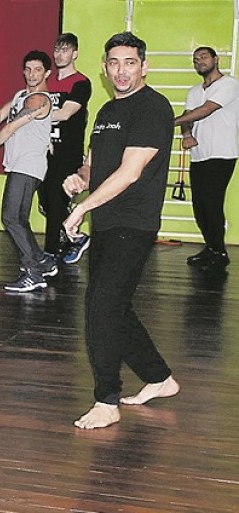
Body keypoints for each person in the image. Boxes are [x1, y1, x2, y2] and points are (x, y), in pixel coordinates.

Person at [62, 32, 180, 430]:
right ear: (104, 68)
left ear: (144, 66)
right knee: (114, 306)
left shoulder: (153, 108)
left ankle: (106, 400)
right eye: (114, 63)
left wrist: (83, 208)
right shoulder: (106, 111)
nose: (121, 71)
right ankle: (159, 378)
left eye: (130, 62)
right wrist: (80, 179)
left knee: (101, 307)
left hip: (134, 223)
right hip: (107, 223)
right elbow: (94, 164)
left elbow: (130, 172)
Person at [0, 50, 55, 292]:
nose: (32, 74)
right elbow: (1, 114)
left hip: (28, 165)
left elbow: (11, 127)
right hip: (18, 164)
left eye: (37, 70)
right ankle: (42, 261)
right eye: (28, 69)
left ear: (47, 73)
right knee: (18, 218)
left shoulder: (38, 100)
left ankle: (33, 272)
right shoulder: (21, 95)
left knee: (10, 217)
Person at [175, 46, 239, 269]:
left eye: (203, 57)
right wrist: (186, 134)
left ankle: (219, 252)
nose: (199, 61)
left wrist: (169, 122)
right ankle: (211, 247)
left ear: (215, 59)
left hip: (222, 153)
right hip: (199, 155)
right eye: (195, 59)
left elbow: (206, 109)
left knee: (212, 203)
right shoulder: (194, 91)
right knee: (200, 205)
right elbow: (188, 117)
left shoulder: (229, 84)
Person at [41, 33, 92, 265]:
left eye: (65, 50)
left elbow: (65, 113)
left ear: (75, 54)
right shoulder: (47, 82)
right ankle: (74, 238)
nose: (60, 55)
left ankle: (50, 252)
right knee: (47, 201)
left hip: (67, 152)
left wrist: (32, 114)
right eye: (57, 50)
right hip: (45, 151)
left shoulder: (80, 82)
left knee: (55, 197)